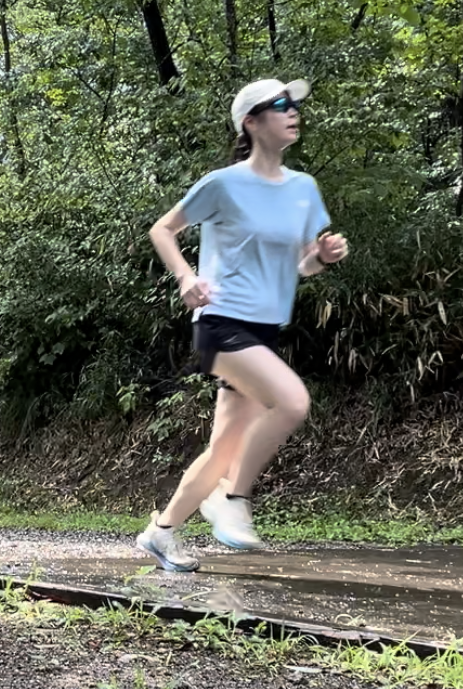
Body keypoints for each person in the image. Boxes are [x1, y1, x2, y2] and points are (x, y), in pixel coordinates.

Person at [136, 78, 348, 572]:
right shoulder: (223, 183)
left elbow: (301, 265)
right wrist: (186, 276)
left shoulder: (303, 190)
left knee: (225, 444)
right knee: (292, 401)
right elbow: (162, 229)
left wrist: (322, 256)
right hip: (221, 322)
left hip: (265, 328)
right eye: (279, 104)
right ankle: (233, 496)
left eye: (293, 104)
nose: (291, 111)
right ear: (251, 123)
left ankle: (161, 532)